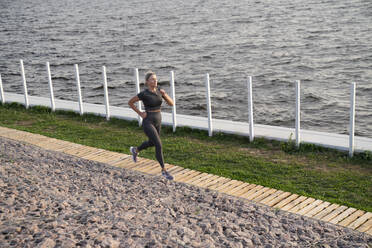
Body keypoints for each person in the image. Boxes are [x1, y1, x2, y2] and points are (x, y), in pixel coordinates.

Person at [128, 71, 174, 180]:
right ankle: (164, 170)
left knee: (152, 143)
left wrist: (165, 95)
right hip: (148, 120)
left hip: (158, 119)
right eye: (152, 79)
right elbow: (130, 102)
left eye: (156, 79)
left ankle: (136, 150)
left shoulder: (159, 92)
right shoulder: (144, 94)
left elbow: (172, 104)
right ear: (147, 82)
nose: (155, 81)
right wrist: (140, 113)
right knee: (158, 144)